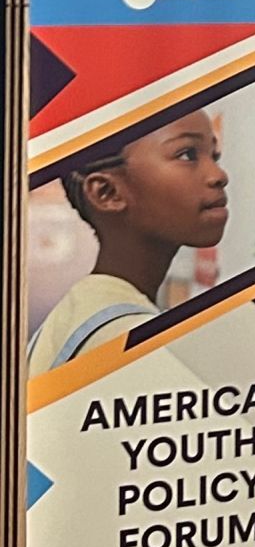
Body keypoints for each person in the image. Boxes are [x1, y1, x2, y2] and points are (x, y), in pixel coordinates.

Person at [26, 108, 229, 376]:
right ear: (107, 192)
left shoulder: (77, 312)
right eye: (187, 155)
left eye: (214, 155)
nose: (219, 175)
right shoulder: (127, 339)